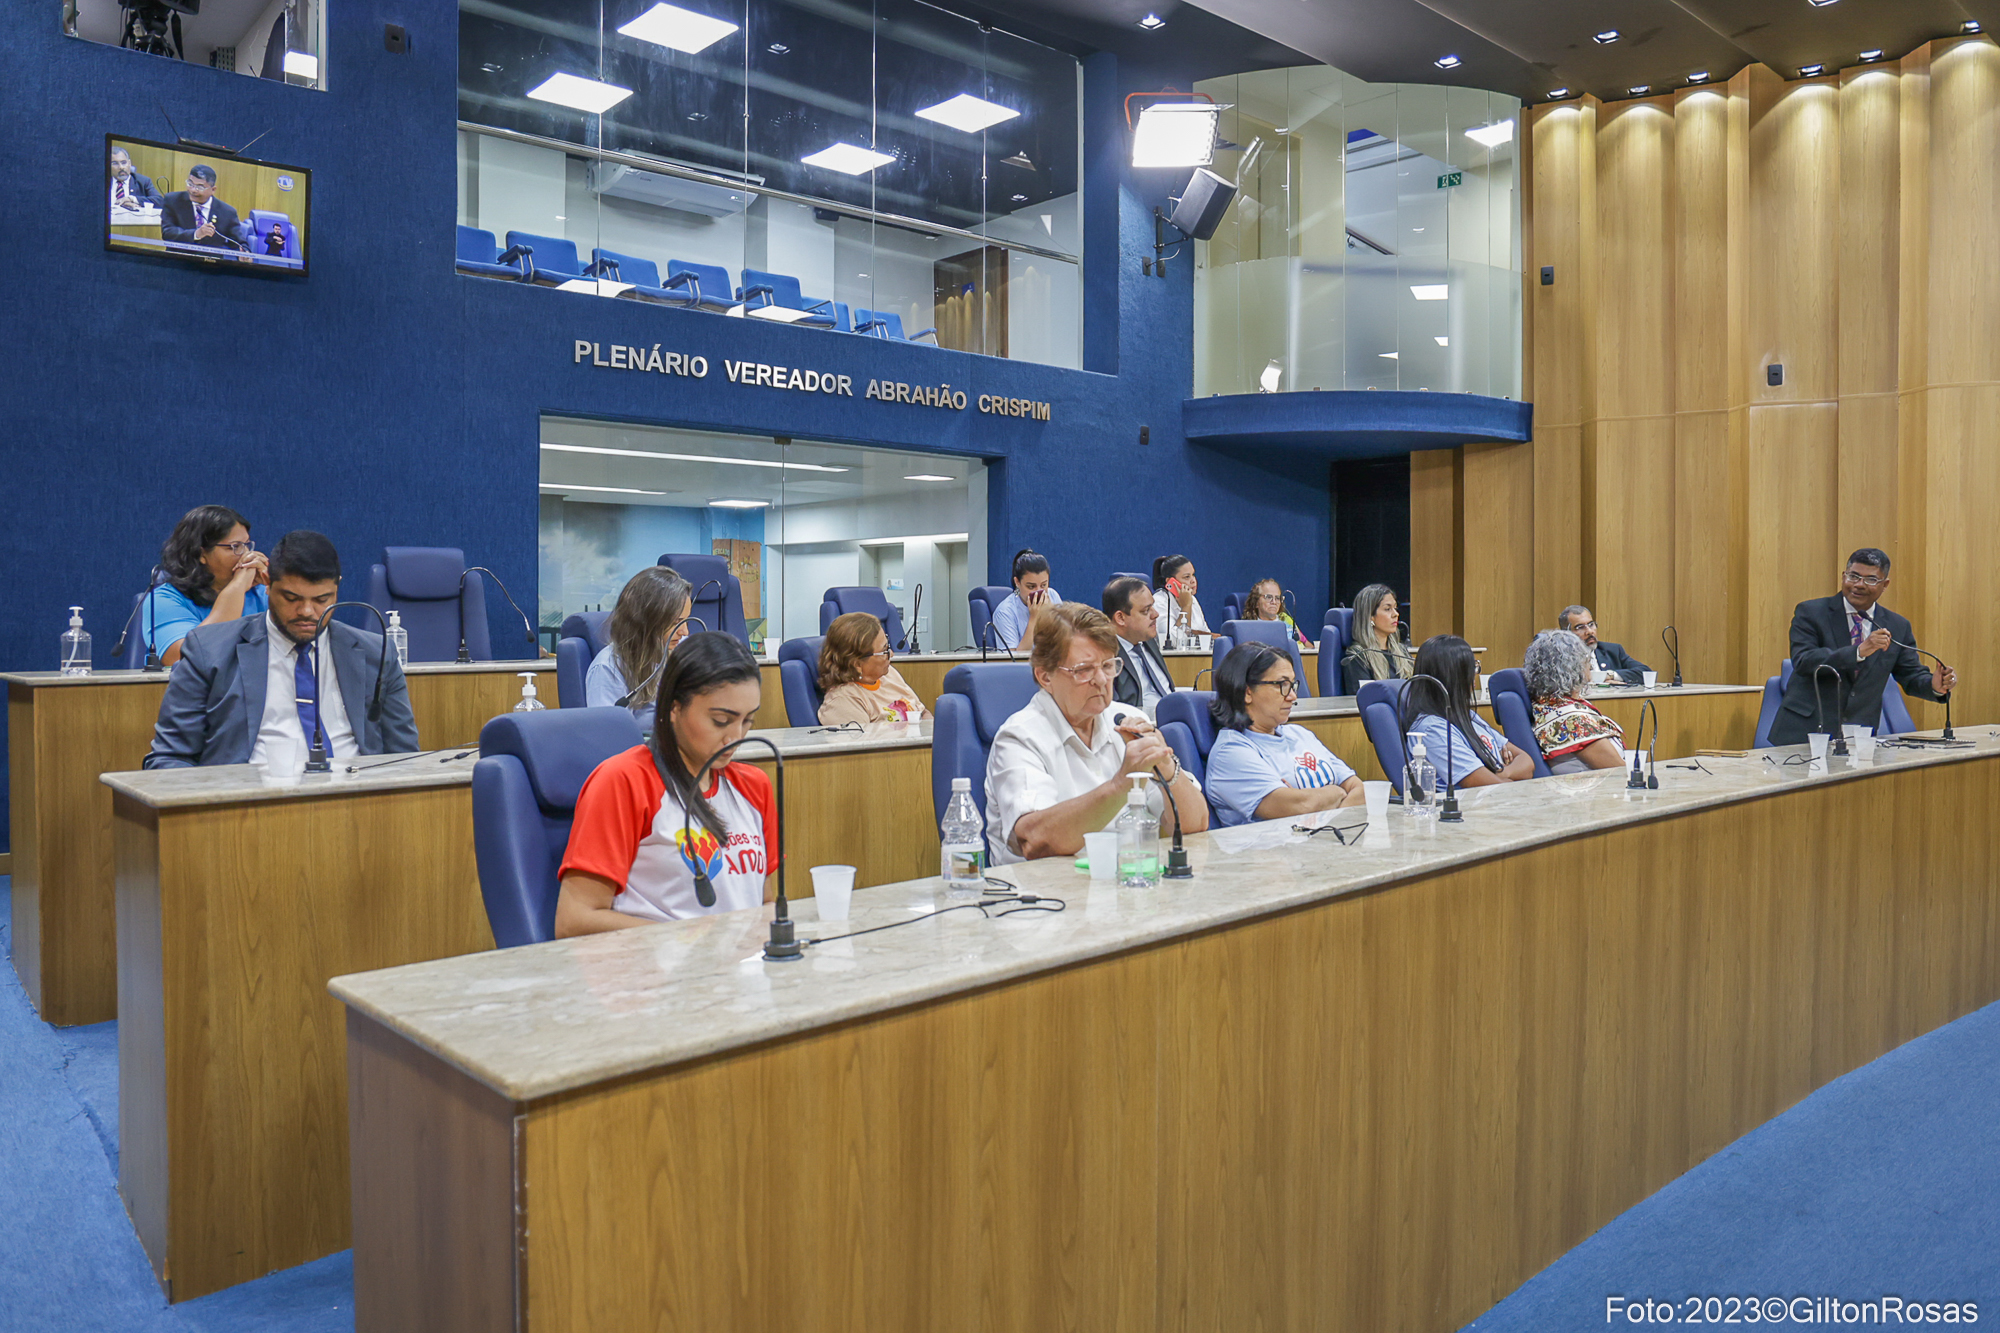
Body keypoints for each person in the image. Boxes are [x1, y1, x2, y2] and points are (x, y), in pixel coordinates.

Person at [554, 633, 777, 935]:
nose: (736, 737)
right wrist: (690, 940)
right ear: (674, 708)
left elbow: (765, 903)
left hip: (738, 960)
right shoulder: (623, 782)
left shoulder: (754, 785)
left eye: (748, 721)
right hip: (654, 960)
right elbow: (574, 921)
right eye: (721, 721)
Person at [144, 531, 417, 770]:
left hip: (356, 797)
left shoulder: (376, 653)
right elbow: (169, 757)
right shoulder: (209, 650)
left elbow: (404, 757)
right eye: (291, 598)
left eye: (321, 599)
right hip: (248, 801)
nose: (307, 611)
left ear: (337, 588)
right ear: (267, 582)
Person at [984, 602, 1207, 865]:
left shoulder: (1126, 720)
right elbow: (1035, 840)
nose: (1101, 680)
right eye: (1084, 670)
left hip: (1126, 881)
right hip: (1044, 888)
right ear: (1045, 677)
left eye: (1108, 666)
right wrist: (1120, 784)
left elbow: (1195, 825)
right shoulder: (1020, 737)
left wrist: (1166, 766)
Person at [1770, 547, 1955, 746]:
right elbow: (1804, 661)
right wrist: (1858, 652)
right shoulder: (1811, 612)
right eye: (1853, 576)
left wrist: (1934, 686)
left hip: (1858, 736)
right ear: (1844, 576)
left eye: (1871, 579)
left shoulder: (1897, 626)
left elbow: (1910, 675)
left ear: (1885, 585)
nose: (1859, 585)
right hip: (1805, 733)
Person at [1205, 642, 1363, 827]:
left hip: (1331, 840)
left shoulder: (1299, 733)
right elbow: (1299, 807)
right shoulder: (1230, 752)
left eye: (1292, 685)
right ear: (1247, 692)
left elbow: (1359, 789)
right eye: (1282, 684)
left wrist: (1320, 805)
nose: (1293, 696)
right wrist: (1337, 791)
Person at [141, 504, 270, 666]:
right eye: (235, 547)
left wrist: (275, 587)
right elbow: (188, 658)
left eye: (247, 545)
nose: (247, 555)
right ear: (201, 553)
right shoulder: (163, 601)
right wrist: (237, 586)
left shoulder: (262, 593)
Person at [1400, 635, 1535, 788]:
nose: (1475, 674)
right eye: (1471, 668)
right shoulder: (1432, 729)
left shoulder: (1468, 716)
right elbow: (1488, 786)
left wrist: (1503, 773)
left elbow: (1527, 762)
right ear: (1454, 676)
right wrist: (1506, 772)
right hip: (1476, 801)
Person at [586, 567, 695, 719]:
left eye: (686, 621)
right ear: (646, 621)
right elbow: (610, 730)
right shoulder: (608, 669)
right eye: (676, 622)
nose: (685, 632)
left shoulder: (681, 648)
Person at [1522, 629, 1625, 773]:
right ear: (1574, 667)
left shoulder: (1546, 705)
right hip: (1598, 785)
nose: (1590, 665)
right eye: (1586, 660)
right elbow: (1621, 773)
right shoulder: (1574, 722)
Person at [818, 611, 928, 725]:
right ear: (857, 664)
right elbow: (861, 737)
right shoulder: (843, 702)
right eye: (884, 651)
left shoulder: (889, 674)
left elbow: (923, 712)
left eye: (888, 646)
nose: (891, 654)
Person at [1103, 576, 1176, 719]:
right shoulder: (1105, 654)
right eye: (1146, 611)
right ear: (1120, 618)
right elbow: (1113, 712)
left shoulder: (1148, 639)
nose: (1155, 614)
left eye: (1153, 606)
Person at [1340, 583, 1414, 692]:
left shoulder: (1401, 651)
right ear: (1370, 616)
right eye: (1387, 609)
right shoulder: (1358, 657)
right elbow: (1365, 697)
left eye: (1395, 608)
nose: (1396, 614)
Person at [159, 164, 245, 251]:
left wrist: (244, 252)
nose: (193, 190)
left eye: (199, 187)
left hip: (211, 259)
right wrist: (196, 234)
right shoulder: (173, 200)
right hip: (178, 258)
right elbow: (167, 233)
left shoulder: (227, 212)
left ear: (213, 190)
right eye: (190, 184)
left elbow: (238, 242)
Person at [988, 549, 1059, 651]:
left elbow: (1065, 642)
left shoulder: (1052, 595)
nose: (1038, 591)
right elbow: (1013, 658)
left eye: (1044, 585)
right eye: (1031, 587)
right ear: (1017, 582)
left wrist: (1053, 615)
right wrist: (1033, 618)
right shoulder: (1004, 612)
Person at [1558, 605, 1649, 684]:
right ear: (1566, 633)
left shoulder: (1612, 650)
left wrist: (1608, 675)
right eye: (1580, 627)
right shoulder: (1558, 657)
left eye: (1591, 624)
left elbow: (1646, 673)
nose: (1590, 631)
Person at [1153, 554, 1211, 648]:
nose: (1193, 581)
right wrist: (1186, 606)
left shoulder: (1192, 599)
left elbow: (1206, 637)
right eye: (1187, 577)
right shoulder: (1159, 602)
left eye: (1193, 575)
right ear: (1170, 582)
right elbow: (1173, 643)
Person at [1239, 578, 1311, 648]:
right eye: (1268, 597)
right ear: (1256, 602)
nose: (1274, 602)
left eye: (1277, 598)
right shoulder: (1250, 627)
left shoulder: (1285, 618)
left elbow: (1308, 646)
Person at [108, 147, 163, 212]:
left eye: (124, 162)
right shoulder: (102, 182)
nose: (121, 167)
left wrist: (132, 199)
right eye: (115, 163)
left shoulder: (143, 181)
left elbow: (160, 201)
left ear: (129, 163)